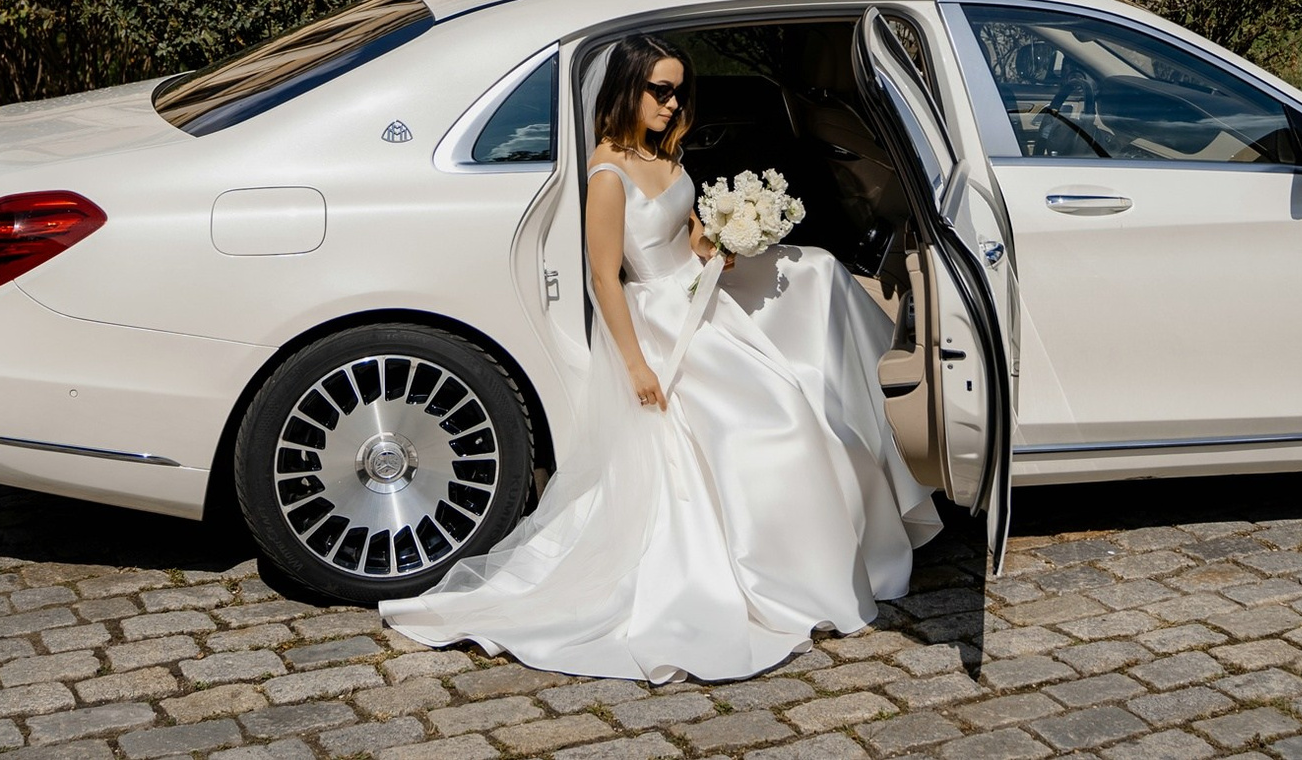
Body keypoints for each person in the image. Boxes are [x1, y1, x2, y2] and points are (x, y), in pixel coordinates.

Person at [380, 35, 938, 682]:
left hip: (701, 295)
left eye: (679, 92)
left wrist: (727, 238)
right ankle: (784, 576)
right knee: (777, 415)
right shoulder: (608, 172)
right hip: (658, 321)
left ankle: (829, 546)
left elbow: (691, 236)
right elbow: (604, 278)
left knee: (814, 281)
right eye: (661, 91)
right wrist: (636, 364)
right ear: (628, 90)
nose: (673, 104)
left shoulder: (663, 151)